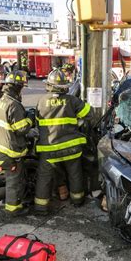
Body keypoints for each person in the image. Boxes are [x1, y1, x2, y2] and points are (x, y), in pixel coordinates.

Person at [34, 68, 92, 213]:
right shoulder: (72, 100)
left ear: (49, 85)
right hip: (71, 148)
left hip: (49, 150)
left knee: (44, 178)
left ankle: (41, 207)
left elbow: (37, 123)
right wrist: (77, 121)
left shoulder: (41, 102)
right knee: (75, 174)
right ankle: (77, 200)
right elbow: (89, 114)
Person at [0, 70, 33, 216]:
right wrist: (30, 118)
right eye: (21, 86)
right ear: (17, 87)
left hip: (0, 149)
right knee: (14, 182)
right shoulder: (14, 105)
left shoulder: (2, 100)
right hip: (11, 153)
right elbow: (22, 129)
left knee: (14, 180)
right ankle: (13, 210)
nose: (22, 89)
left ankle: (17, 203)